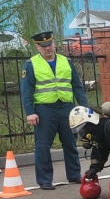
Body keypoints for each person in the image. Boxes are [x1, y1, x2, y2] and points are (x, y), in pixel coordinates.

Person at [20, 31, 89, 190]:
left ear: (54, 43)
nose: (47, 48)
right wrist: (30, 112)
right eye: (43, 46)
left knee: (70, 142)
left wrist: (84, 107)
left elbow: (77, 87)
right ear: (37, 47)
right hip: (44, 109)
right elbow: (27, 91)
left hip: (66, 107)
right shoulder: (31, 64)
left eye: (49, 44)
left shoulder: (66, 62)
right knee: (43, 145)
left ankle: (74, 175)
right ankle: (44, 180)